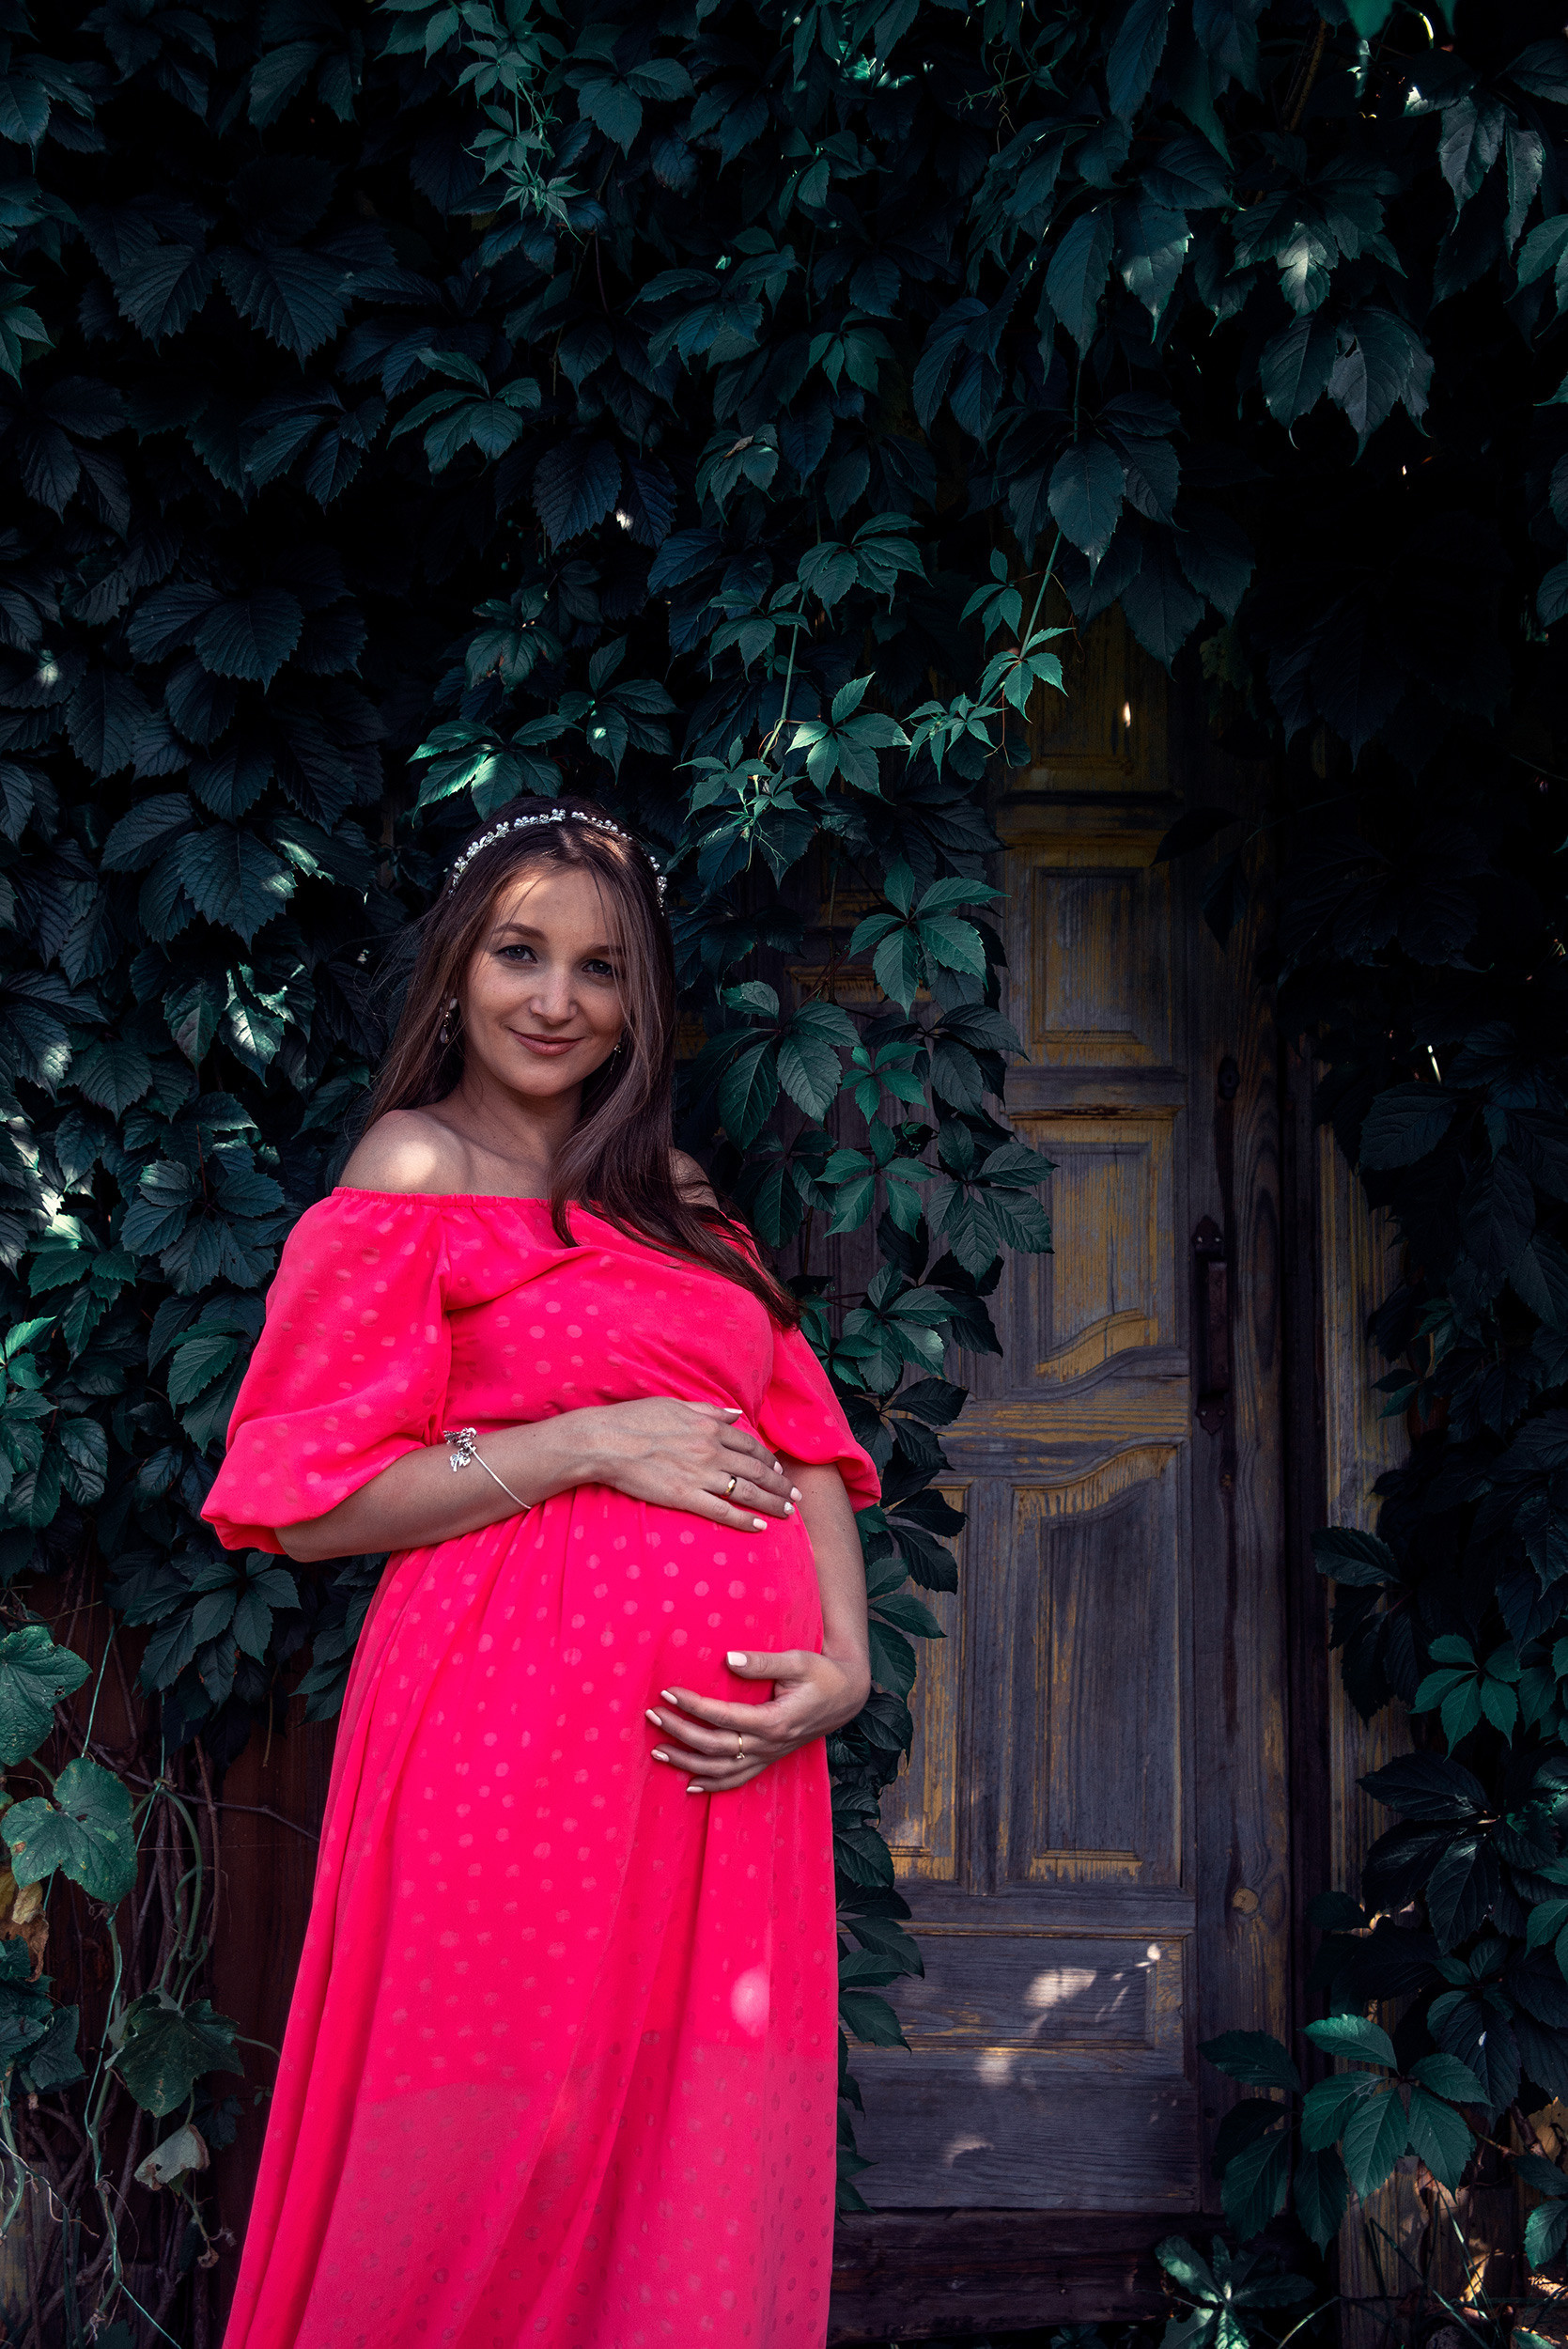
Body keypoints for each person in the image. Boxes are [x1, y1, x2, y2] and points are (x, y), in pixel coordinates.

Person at [201, 798, 879, 2349]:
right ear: (458, 966)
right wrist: (585, 1442)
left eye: (599, 969)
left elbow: (806, 1442)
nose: (555, 1001)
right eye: (520, 953)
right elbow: (309, 1505)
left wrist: (840, 1668)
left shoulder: (680, 1195)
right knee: (485, 2133)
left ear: (642, 1002)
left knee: (685, 2139)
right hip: (504, 1731)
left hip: (730, 1766)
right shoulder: (415, 1166)